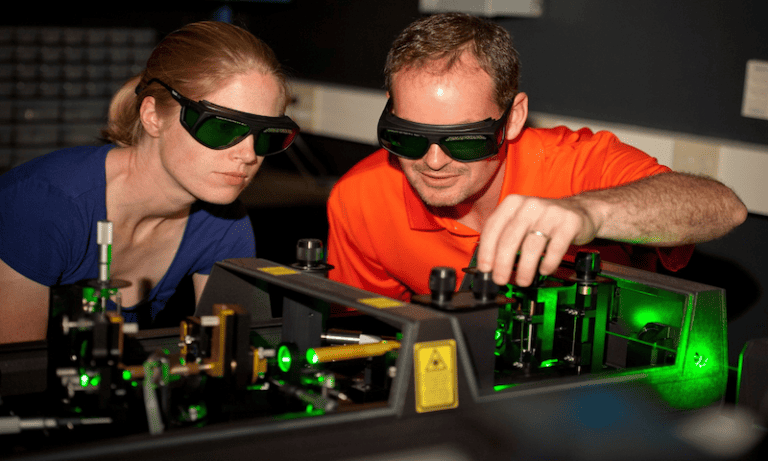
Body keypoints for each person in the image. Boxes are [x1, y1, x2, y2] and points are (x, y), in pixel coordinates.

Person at [326, 13, 747, 301]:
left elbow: (724, 207)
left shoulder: (577, 165)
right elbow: (368, 333)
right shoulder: (360, 199)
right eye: (409, 137)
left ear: (513, 119)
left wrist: (589, 213)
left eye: (466, 140)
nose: (434, 160)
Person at [0, 21, 299, 344]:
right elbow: (19, 378)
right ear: (153, 116)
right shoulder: (43, 204)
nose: (249, 154)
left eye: (267, 137)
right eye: (221, 128)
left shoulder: (224, 224)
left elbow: (240, 357)